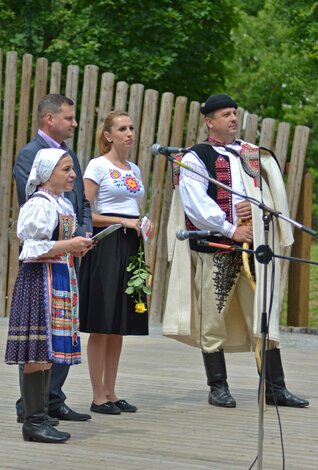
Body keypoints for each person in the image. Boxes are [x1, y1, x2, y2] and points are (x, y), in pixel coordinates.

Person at [163, 93, 309, 408]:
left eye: (234, 113)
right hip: (218, 249)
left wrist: (259, 210)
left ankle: (274, 387)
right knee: (213, 317)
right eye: (226, 114)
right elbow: (196, 204)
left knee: (263, 313)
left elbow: (267, 197)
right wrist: (231, 227)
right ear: (209, 120)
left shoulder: (249, 155)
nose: (233, 119)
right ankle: (218, 386)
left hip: (252, 250)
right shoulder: (194, 158)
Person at [13, 94, 92, 423]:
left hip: (59, 273)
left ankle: (46, 407)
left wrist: (80, 239)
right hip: (40, 278)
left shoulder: (61, 200)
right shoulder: (39, 199)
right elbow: (31, 243)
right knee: (39, 349)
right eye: (67, 170)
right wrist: (67, 243)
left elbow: (82, 206)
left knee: (51, 347)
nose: (73, 174)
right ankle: (33, 416)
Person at [79, 110, 150, 415]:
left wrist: (142, 223)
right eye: (122, 128)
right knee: (103, 321)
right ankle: (97, 395)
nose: (129, 133)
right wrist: (122, 221)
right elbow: (85, 212)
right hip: (107, 243)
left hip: (131, 243)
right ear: (108, 135)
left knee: (119, 322)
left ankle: (111, 391)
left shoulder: (133, 168)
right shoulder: (98, 165)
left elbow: (133, 206)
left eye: (132, 127)